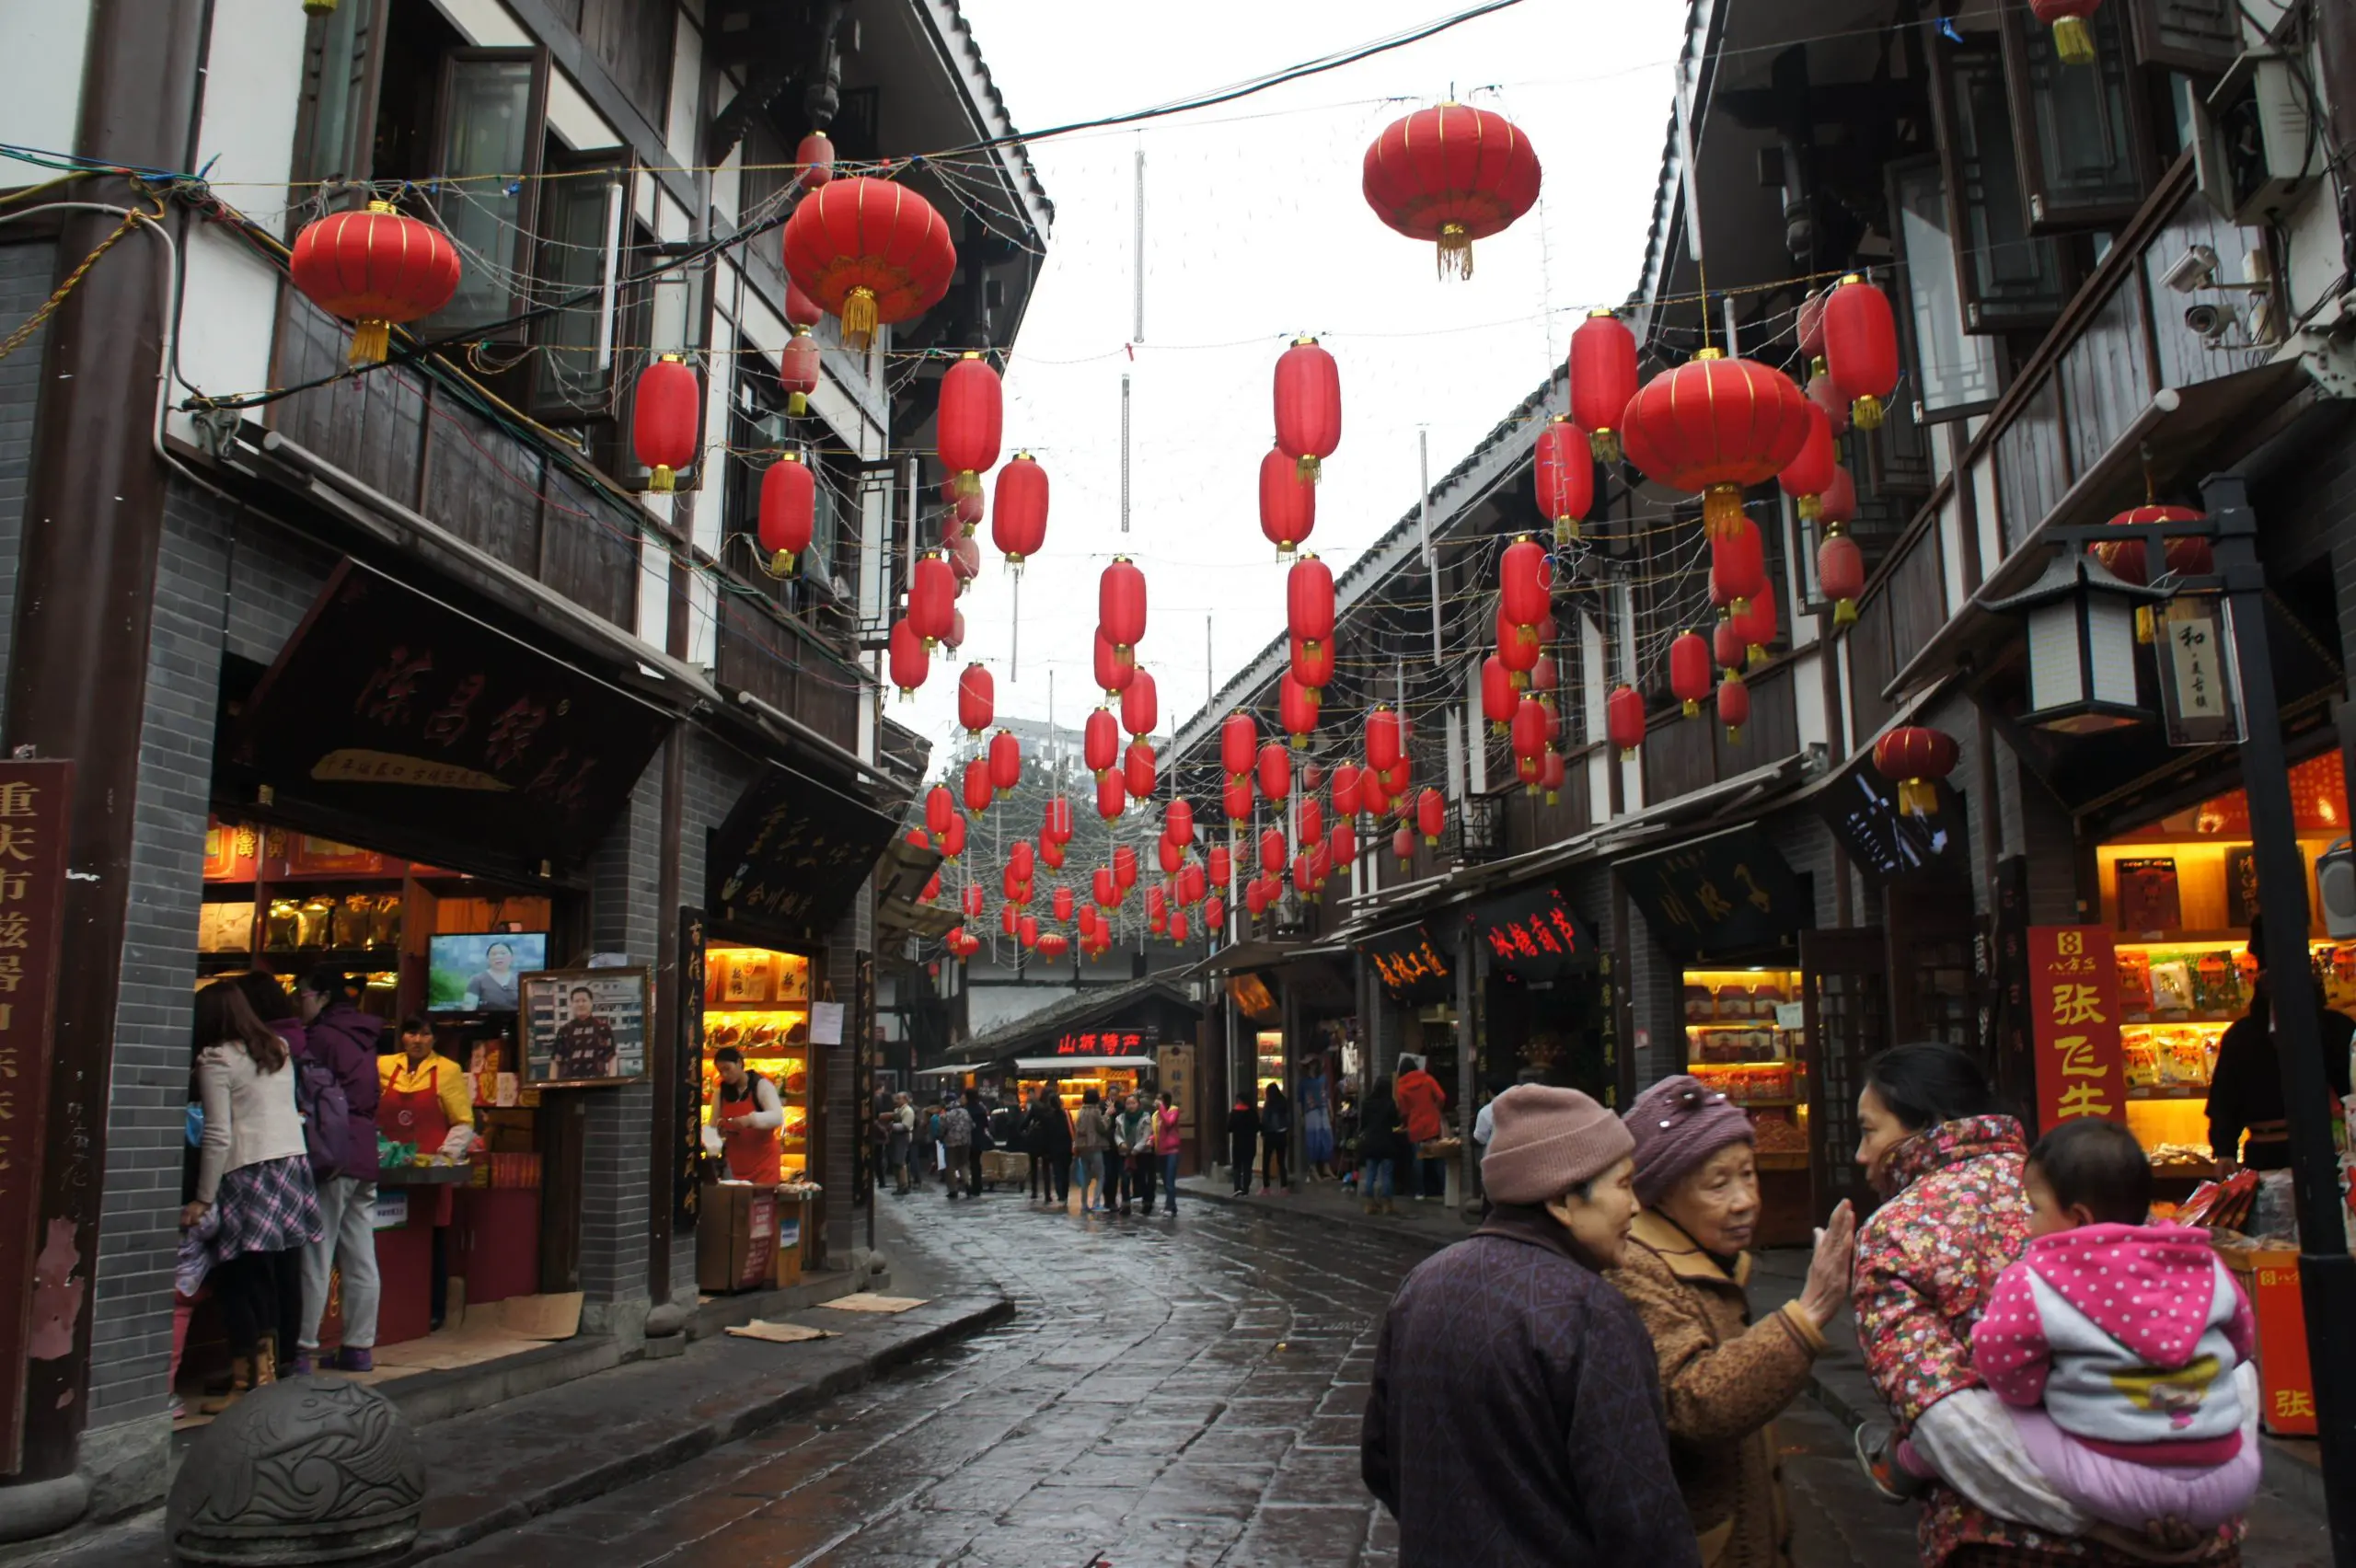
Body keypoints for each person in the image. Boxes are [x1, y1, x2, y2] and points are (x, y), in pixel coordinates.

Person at [1847, 1043, 2242, 1567]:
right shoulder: (2097, 1195)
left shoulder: (1893, 1232)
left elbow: (1947, 1423)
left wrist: (2099, 1522)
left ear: (1930, 1123)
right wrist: (2192, 1504)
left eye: (1870, 1130)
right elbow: (2224, 1369)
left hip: (2006, 1544)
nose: (1860, 1154)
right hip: (2186, 1529)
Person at [1361, 1085, 1700, 1568]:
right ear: (1562, 1199)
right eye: (1623, 1185)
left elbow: (1379, 1461)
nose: (1635, 1207)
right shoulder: (1593, 1313)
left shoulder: (1421, 1285)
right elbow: (1639, 1518)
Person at [1606, 1075, 1857, 1567]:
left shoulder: (1714, 1259)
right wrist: (1807, 1315)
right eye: (1718, 1184)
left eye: (1749, 1174)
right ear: (1660, 1195)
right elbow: (1692, 1403)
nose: (1744, 1200)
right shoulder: (1633, 1270)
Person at [188, 983, 323, 1410]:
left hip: (248, 1171)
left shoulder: (216, 1060)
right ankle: (267, 1374)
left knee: (238, 1280)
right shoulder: (278, 1049)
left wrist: (203, 1199)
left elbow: (217, 1133)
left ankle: (246, 1384)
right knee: (267, 1276)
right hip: (290, 1168)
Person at [276, 971, 380, 1376]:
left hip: (331, 1154)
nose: (297, 1002)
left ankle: (301, 1347)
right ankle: (359, 1346)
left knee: (317, 1253)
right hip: (363, 1152)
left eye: (300, 994)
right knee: (360, 1254)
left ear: (321, 997)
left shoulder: (320, 1038)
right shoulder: (363, 1037)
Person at [2205, 916, 2354, 1172]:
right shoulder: (2241, 1037)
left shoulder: (2337, 1029)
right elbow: (2224, 1103)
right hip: (2266, 1158)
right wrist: (2224, 1150)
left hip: (2329, 1152)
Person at [378, 1015, 477, 1332]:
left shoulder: (448, 1070)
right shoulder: (381, 1066)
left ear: (433, 1038)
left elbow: (463, 1121)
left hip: (429, 1169)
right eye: (411, 1033)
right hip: (387, 1167)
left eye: (424, 1034)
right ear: (401, 1037)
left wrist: (445, 1156)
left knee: (432, 1237)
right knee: (387, 1236)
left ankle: (432, 1310)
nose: (417, 1040)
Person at [710, 1046, 784, 1182]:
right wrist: (716, 1137)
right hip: (734, 1165)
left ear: (739, 1063)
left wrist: (750, 1120)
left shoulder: (761, 1086)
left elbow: (777, 1117)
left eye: (727, 1069)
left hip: (764, 1164)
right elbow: (712, 1126)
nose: (725, 1075)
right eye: (721, 1071)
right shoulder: (720, 1093)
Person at [1394, 1055, 1449, 1201]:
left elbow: (1403, 1109)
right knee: (1437, 1157)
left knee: (1418, 1158)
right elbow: (1441, 1096)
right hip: (1432, 1124)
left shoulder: (1400, 1087)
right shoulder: (1427, 1079)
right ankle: (1445, 1189)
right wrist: (1435, 1109)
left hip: (1415, 1126)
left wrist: (1406, 1121)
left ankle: (1420, 1192)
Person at [1357, 1075, 1403, 1216]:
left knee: (1371, 1174)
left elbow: (1363, 1124)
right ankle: (1386, 1204)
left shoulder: (1367, 1103)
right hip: (1386, 1142)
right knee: (1387, 1174)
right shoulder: (1390, 1104)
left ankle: (1369, 1204)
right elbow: (1396, 1123)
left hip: (1371, 1143)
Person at [549, 985, 618, 1079]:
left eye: (584, 1000)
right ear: (572, 1004)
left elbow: (612, 1057)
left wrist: (611, 1082)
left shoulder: (603, 1028)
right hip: (569, 1087)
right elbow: (555, 1061)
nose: (580, 1004)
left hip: (597, 1085)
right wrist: (552, 1087)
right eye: (576, 1001)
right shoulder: (564, 1030)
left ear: (591, 1003)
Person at [1030, 1088, 1072, 1205]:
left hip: (1054, 1147)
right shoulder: (1066, 1115)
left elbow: (1046, 1134)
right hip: (1067, 1146)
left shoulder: (1047, 1117)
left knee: (1057, 1171)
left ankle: (1060, 1195)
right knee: (1065, 1171)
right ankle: (1065, 1193)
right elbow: (1071, 1130)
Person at [1071, 1088, 1111, 1212]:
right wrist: (1108, 1115)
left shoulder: (1080, 1111)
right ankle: (1096, 1203)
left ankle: (1084, 1204)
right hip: (1094, 1146)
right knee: (1100, 1175)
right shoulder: (1095, 1112)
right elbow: (1102, 1127)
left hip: (1082, 1147)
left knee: (1086, 1176)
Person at [463, 939, 524, 1012]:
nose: (498, 957)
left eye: (503, 953)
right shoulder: (477, 979)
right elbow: (468, 1008)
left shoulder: (520, 979)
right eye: (494, 954)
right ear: (487, 959)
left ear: (512, 957)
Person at [1300, 1060, 1335, 1180]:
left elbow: (1327, 1095)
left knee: (1327, 1137)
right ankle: (1313, 1167)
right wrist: (1301, 1115)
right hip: (1311, 1111)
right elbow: (1300, 1100)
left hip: (1323, 1108)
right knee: (1313, 1139)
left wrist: (1330, 1110)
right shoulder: (1304, 1082)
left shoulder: (1323, 1078)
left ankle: (1326, 1166)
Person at [1260, 1081, 1292, 1192]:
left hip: (1270, 1135)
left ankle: (1266, 1187)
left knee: (1266, 1162)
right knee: (1281, 1162)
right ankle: (1284, 1187)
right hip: (1282, 1134)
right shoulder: (1283, 1102)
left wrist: (1262, 1132)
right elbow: (1288, 1119)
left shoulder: (1269, 1104)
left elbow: (1265, 1120)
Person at [1226, 1090, 1260, 1196]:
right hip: (1249, 1143)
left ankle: (1237, 1188)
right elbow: (1257, 1127)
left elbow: (1229, 1128)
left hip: (1237, 1143)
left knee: (1237, 1167)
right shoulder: (1252, 1113)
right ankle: (1245, 1189)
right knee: (1247, 1167)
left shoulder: (1234, 1113)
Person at [1154, 1090, 1183, 1216]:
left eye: (1160, 1099)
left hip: (1172, 1150)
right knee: (1165, 1180)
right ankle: (1171, 1205)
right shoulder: (1156, 1115)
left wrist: (1161, 1108)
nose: (1157, 1101)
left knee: (1170, 1180)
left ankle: (1170, 1207)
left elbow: (1169, 1123)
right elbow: (1155, 1131)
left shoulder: (1173, 1110)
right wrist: (1151, 1139)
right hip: (1161, 1151)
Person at [941, 1094, 974, 1200]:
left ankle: (953, 1190)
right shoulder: (966, 1112)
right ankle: (967, 1184)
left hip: (951, 1143)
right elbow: (972, 1125)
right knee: (963, 1164)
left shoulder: (947, 1114)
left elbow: (942, 1128)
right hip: (965, 1141)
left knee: (950, 1166)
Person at [888, 1091, 915, 1195]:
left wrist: (891, 1126)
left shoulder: (908, 1111)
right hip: (895, 1137)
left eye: (899, 1098)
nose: (897, 1100)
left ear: (905, 1099)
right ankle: (900, 1184)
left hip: (902, 1137)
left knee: (900, 1161)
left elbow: (906, 1126)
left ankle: (904, 1185)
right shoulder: (898, 1110)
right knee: (896, 1162)